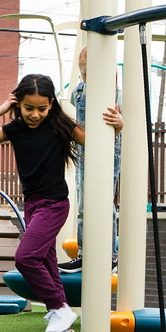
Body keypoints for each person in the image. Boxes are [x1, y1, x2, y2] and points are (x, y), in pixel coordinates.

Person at [0, 73, 123, 332]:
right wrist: (2, 110)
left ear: (51, 104)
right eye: (29, 108)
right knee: (48, 265)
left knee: (26, 258)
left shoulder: (60, 127)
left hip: (53, 205)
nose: (35, 114)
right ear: (19, 104)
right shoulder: (15, 129)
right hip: (32, 205)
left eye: (42, 108)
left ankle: (59, 308)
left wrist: (118, 126)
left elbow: (98, 143)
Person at [57, 45, 123, 273]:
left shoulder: (115, 92)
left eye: (92, 73)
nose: (87, 78)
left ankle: (112, 255)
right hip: (84, 149)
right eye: (84, 73)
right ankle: (84, 253)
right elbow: (76, 109)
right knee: (84, 202)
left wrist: (119, 122)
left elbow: (121, 118)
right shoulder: (79, 91)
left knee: (105, 201)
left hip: (108, 148)